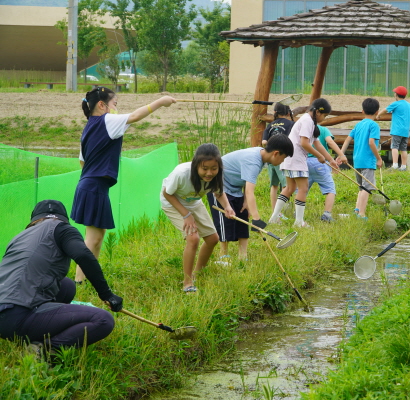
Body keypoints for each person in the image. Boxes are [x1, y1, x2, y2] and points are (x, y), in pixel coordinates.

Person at [72, 87, 176, 284]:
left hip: (91, 185)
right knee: (92, 239)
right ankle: (79, 282)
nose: (116, 109)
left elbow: (82, 162)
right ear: (102, 105)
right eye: (115, 104)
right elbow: (136, 116)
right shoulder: (107, 120)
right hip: (94, 187)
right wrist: (161, 101)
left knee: (97, 236)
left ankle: (89, 279)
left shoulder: (88, 128)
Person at [0, 200, 123, 358]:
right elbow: (83, 255)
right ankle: (45, 350)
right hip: (18, 314)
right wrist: (106, 294)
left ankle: (35, 332)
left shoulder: (18, 237)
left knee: (67, 286)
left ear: (34, 220)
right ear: (63, 218)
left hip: (5, 313)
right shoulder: (62, 228)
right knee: (103, 320)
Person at [161, 144, 235, 293]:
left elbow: (219, 193)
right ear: (196, 165)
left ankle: (197, 274)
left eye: (213, 168)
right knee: (193, 238)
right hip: (172, 202)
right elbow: (167, 193)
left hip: (193, 202)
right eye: (205, 168)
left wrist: (227, 207)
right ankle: (187, 282)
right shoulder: (181, 173)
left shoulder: (217, 174)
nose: (209, 173)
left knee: (213, 239)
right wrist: (186, 215)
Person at [208, 134, 294, 260]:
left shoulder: (260, 157)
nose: (282, 161)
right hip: (219, 188)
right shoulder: (253, 161)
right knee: (225, 222)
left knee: (243, 216)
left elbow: (246, 181)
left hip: (235, 188)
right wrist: (257, 218)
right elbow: (250, 191)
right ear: (276, 153)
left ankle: (243, 256)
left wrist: (246, 203)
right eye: (284, 158)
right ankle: (223, 255)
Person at [269, 98, 335, 228]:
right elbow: (304, 143)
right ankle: (299, 222)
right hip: (296, 158)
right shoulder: (307, 121)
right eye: (324, 115)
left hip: (290, 158)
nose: (324, 118)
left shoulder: (309, 121)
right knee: (303, 188)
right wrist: (319, 157)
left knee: (290, 188)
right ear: (318, 112)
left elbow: (317, 143)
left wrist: (330, 159)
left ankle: (273, 217)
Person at [340, 98, 383, 219]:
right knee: (367, 188)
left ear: (362, 111)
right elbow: (371, 143)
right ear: (377, 112)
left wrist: (341, 154)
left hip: (357, 161)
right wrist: (379, 158)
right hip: (368, 161)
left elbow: (348, 139)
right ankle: (361, 214)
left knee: (361, 187)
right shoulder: (374, 125)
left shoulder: (358, 125)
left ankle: (357, 210)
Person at [307, 125, 348, 222]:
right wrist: (341, 155)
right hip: (320, 162)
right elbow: (329, 141)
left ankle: (297, 213)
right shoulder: (323, 129)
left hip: (304, 162)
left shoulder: (305, 127)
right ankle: (327, 214)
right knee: (330, 189)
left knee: (301, 189)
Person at [261, 103, 295, 217]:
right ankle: (282, 211)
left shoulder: (270, 125)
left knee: (274, 185)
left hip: (271, 157)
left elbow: (264, 142)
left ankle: (274, 212)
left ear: (275, 113)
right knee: (286, 185)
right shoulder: (291, 124)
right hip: (282, 157)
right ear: (287, 113)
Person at [376, 86, 410, 171]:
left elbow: (385, 110)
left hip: (397, 130)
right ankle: (403, 166)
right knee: (403, 148)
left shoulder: (396, 104)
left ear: (396, 95)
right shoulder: (409, 105)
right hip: (406, 131)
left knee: (394, 147)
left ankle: (395, 165)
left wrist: (378, 115)